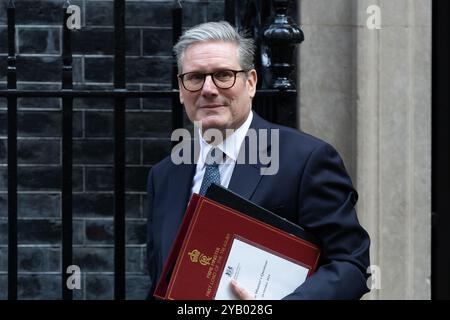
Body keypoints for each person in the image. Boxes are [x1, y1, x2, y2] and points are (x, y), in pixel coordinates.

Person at [146, 21, 370, 300]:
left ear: (250, 82)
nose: (208, 89)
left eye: (223, 75)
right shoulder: (164, 175)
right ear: (181, 89)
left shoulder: (306, 160)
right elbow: (160, 279)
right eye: (194, 77)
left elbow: (351, 265)